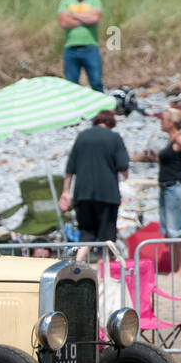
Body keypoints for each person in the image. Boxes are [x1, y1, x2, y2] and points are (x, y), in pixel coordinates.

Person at [136, 108, 181, 276]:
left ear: (171, 123)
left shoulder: (179, 138)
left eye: (163, 119)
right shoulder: (172, 140)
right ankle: (177, 267)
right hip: (168, 188)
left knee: (177, 230)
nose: (161, 121)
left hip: (175, 188)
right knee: (170, 231)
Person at [58, 110, 129, 262]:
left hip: (82, 194)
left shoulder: (82, 136)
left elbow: (70, 168)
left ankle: (76, 264)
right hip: (107, 194)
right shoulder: (114, 138)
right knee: (106, 238)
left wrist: (65, 192)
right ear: (111, 123)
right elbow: (123, 167)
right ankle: (102, 276)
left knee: (86, 233)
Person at [57, 0, 103, 92]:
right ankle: (74, 109)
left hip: (90, 47)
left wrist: (73, 14)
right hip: (71, 48)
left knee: (96, 82)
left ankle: (102, 109)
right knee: (71, 85)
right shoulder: (65, 2)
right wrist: (85, 19)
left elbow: (95, 18)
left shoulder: (94, 1)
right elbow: (63, 22)